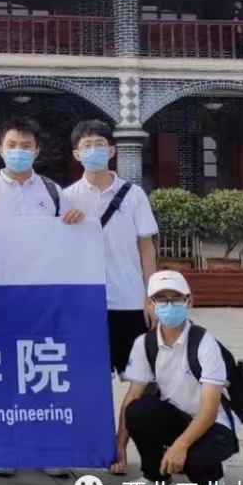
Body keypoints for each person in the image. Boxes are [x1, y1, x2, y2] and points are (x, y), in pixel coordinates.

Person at [0, 116, 84, 480]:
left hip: (43, 300)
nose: (18, 152)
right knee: (2, 374)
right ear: (0, 149)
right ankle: (5, 448)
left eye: (26, 146)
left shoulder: (53, 193)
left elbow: (70, 242)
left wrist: (76, 220)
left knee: (42, 374)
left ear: (37, 151)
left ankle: (47, 448)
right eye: (12, 146)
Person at [110, 270, 239, 485]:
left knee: (194, 461)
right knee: (138, 411)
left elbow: (209, 410)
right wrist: (120, 445)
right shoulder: (145, 344)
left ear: (189, 301)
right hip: (178, 416)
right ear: (150, 305)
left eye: (176, 298)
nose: (169, 305)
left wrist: (180, 446)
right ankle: (156, 477)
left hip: (213, 425)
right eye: (161, 299)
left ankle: (213, 479)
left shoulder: (204, 343)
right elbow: (133, 395)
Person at [62, 119, 158, 380]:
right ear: (76, 154)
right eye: (87, 145)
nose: (94, 150)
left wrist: (152, 296)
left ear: (112, 150)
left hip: (129, 300)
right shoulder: (66, 198)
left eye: (100, 144)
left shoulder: (134, 195)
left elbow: (146, 248)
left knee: (140, 380)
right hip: (87, 303)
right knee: (91, 379)